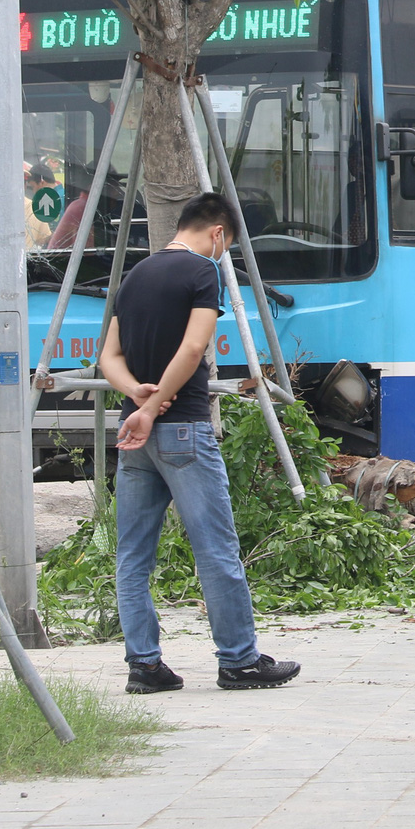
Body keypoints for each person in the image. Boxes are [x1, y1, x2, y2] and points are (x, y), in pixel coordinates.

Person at [99, 190, 299, 694]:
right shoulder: (201, 272)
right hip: (182, 429)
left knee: (132, 556)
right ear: (216, 233)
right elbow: (193, 348)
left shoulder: (135, 275)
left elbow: (109, 358)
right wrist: (154, 404)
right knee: (216, 549)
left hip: (134, 439)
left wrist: (136, 397)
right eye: (225, 244)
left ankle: (143, 666)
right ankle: (239, 661)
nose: (221, 252)